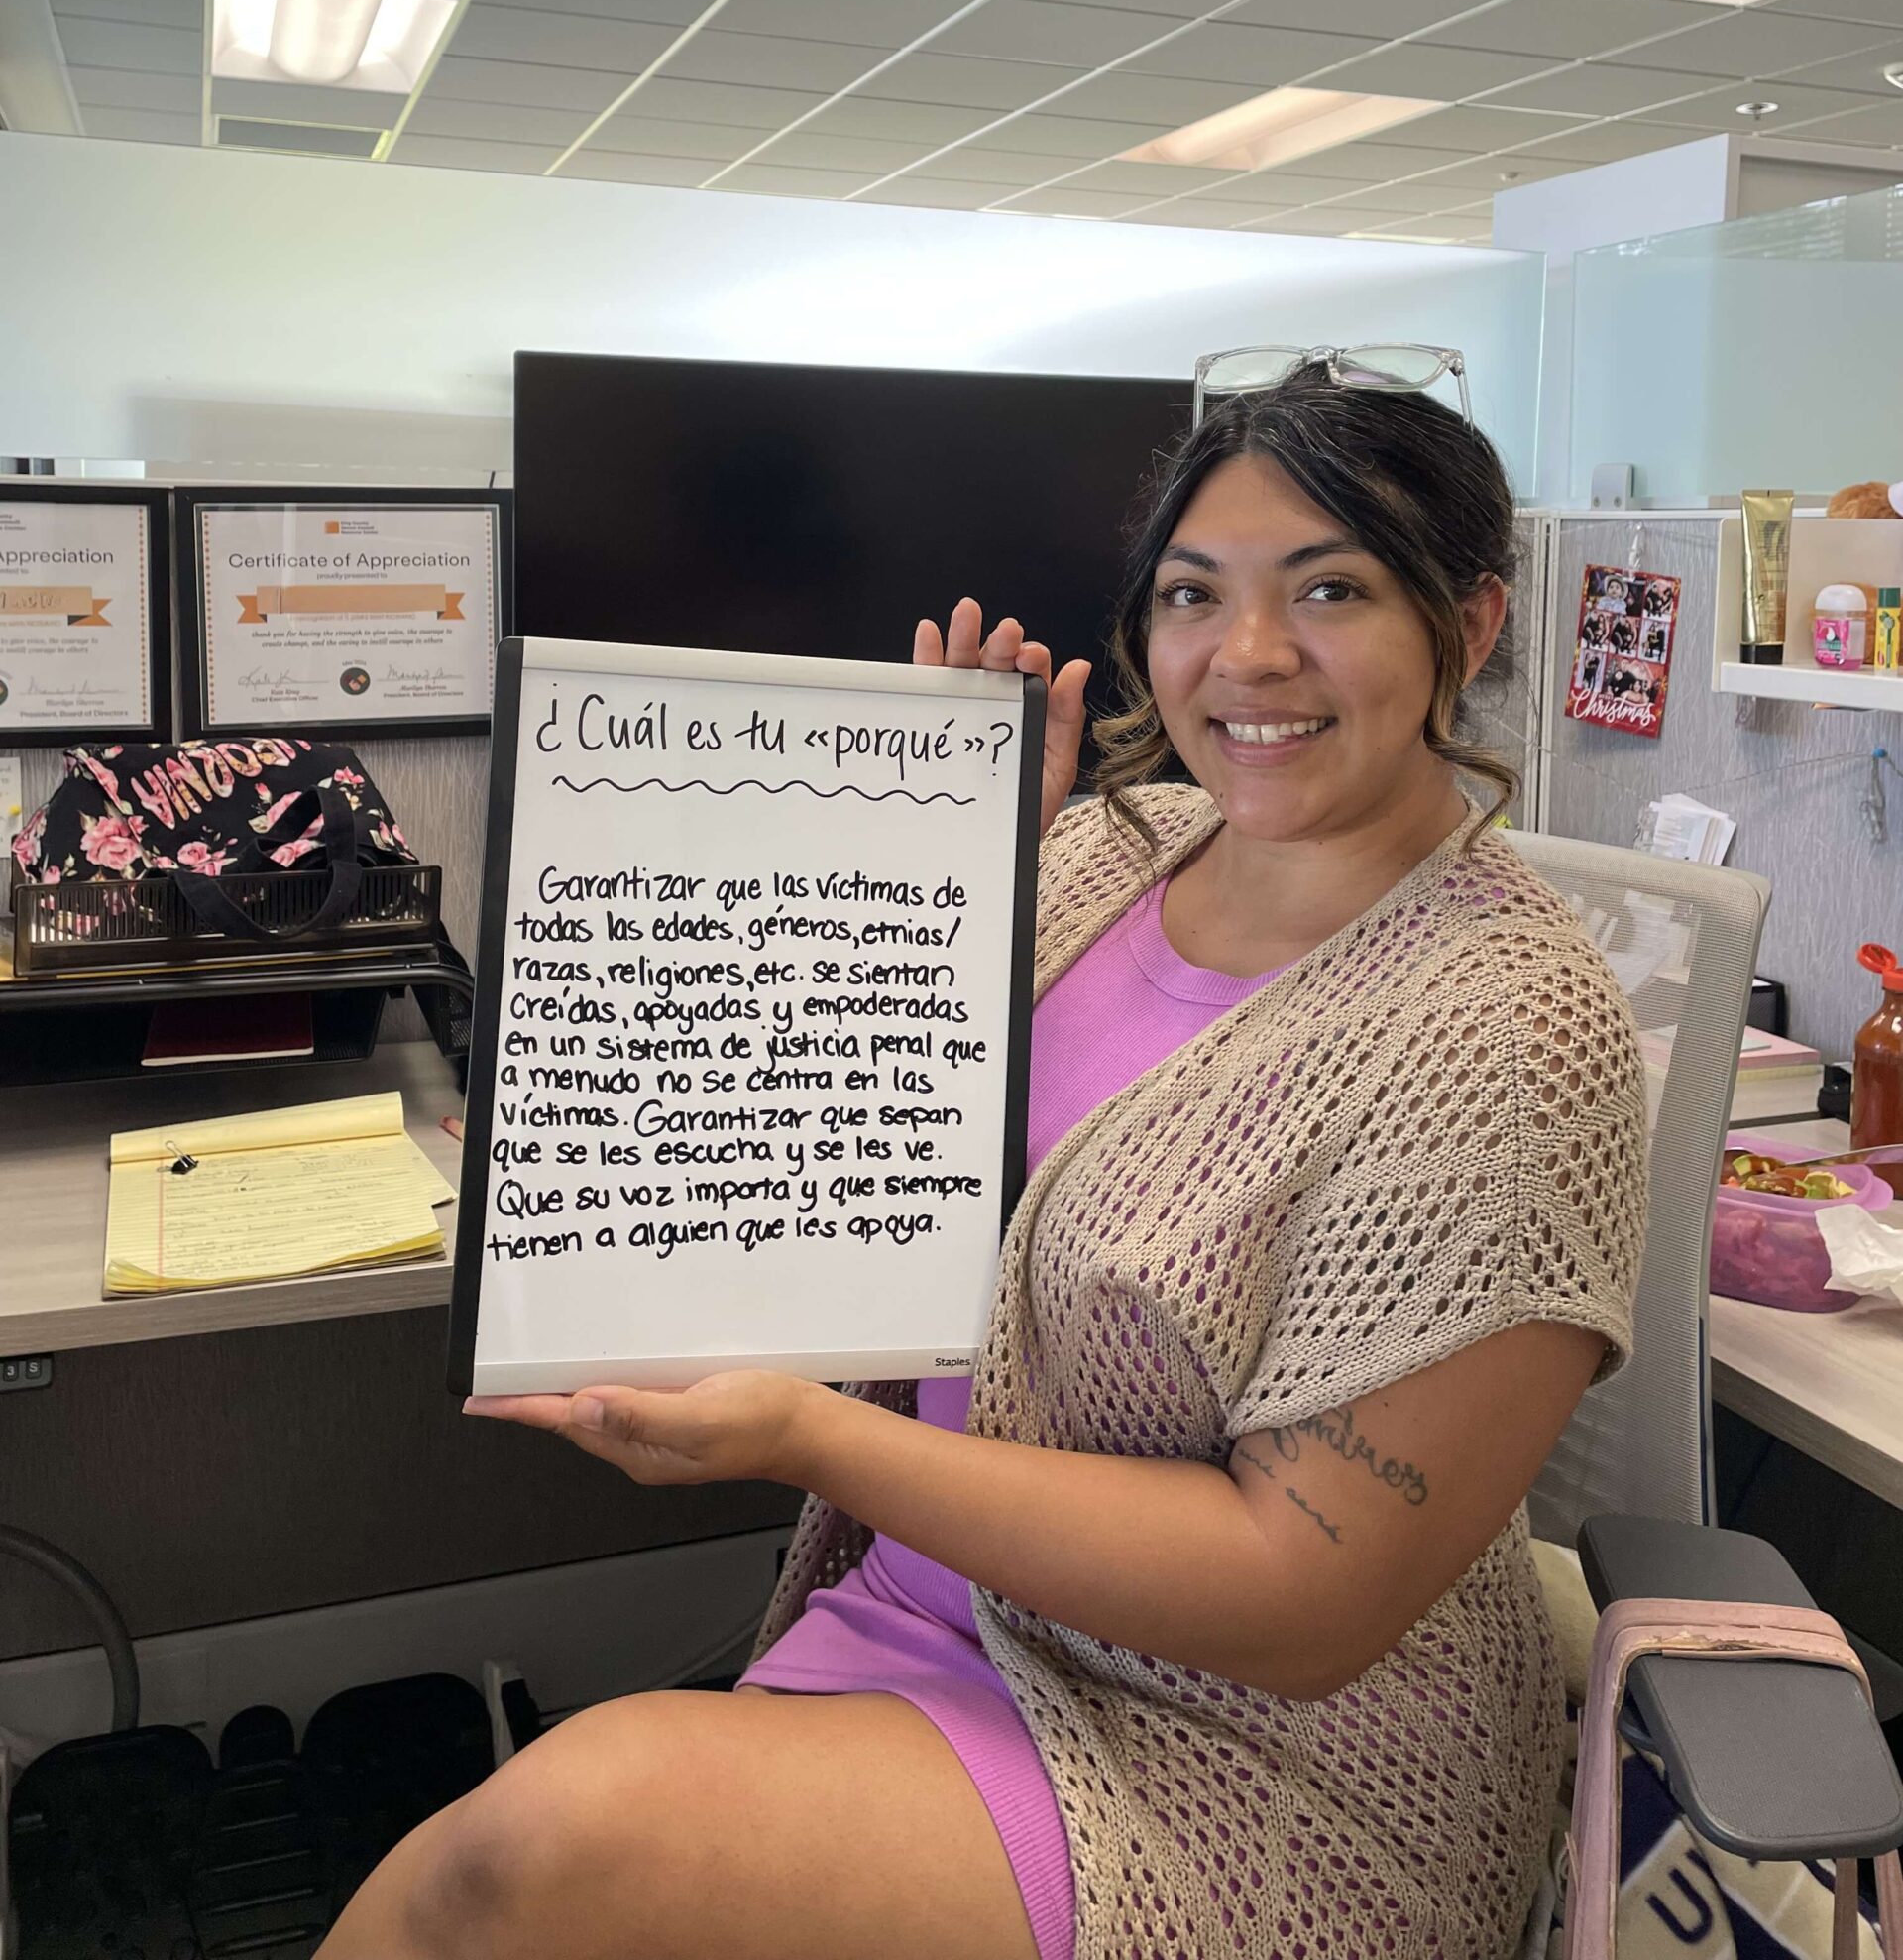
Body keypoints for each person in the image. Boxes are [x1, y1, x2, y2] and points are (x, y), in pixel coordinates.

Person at [318, 366, 1647, 1960]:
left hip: (1255, 1770)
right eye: (1193, 593)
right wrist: (640, 1109)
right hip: (934, 1617)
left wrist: (806, 1435)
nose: (1247, 654)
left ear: (1471, 624)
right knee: (485, 1879)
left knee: (525, 1856)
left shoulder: (1506, 1034)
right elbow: (861, 1158)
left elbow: (1301, 1604)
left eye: (1331, 589)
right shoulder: (1100, 853)